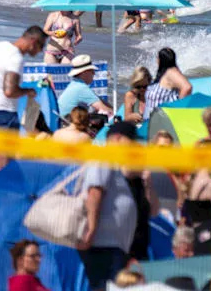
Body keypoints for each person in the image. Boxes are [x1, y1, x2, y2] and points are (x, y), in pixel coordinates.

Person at [77, 122, 139, 291]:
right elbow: (95, 192)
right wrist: (91, 229)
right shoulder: (103, 157)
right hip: (101, 245)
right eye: (131, 141)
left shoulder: (112, 161)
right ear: (118, 138)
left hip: (110, 246)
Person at [0, 26, 48, 129]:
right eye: (41, 46)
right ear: (33, 41)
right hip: (4, 112)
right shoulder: (16, 57)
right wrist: (28, 91)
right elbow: (9, 92)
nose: (41, 50)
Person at [143, 47, 193, 119]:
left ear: (160, 60)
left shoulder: (171, 72)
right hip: (151, 123)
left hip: (163, 123)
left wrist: (178, 110)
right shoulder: (164, 74)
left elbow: (187, 87)